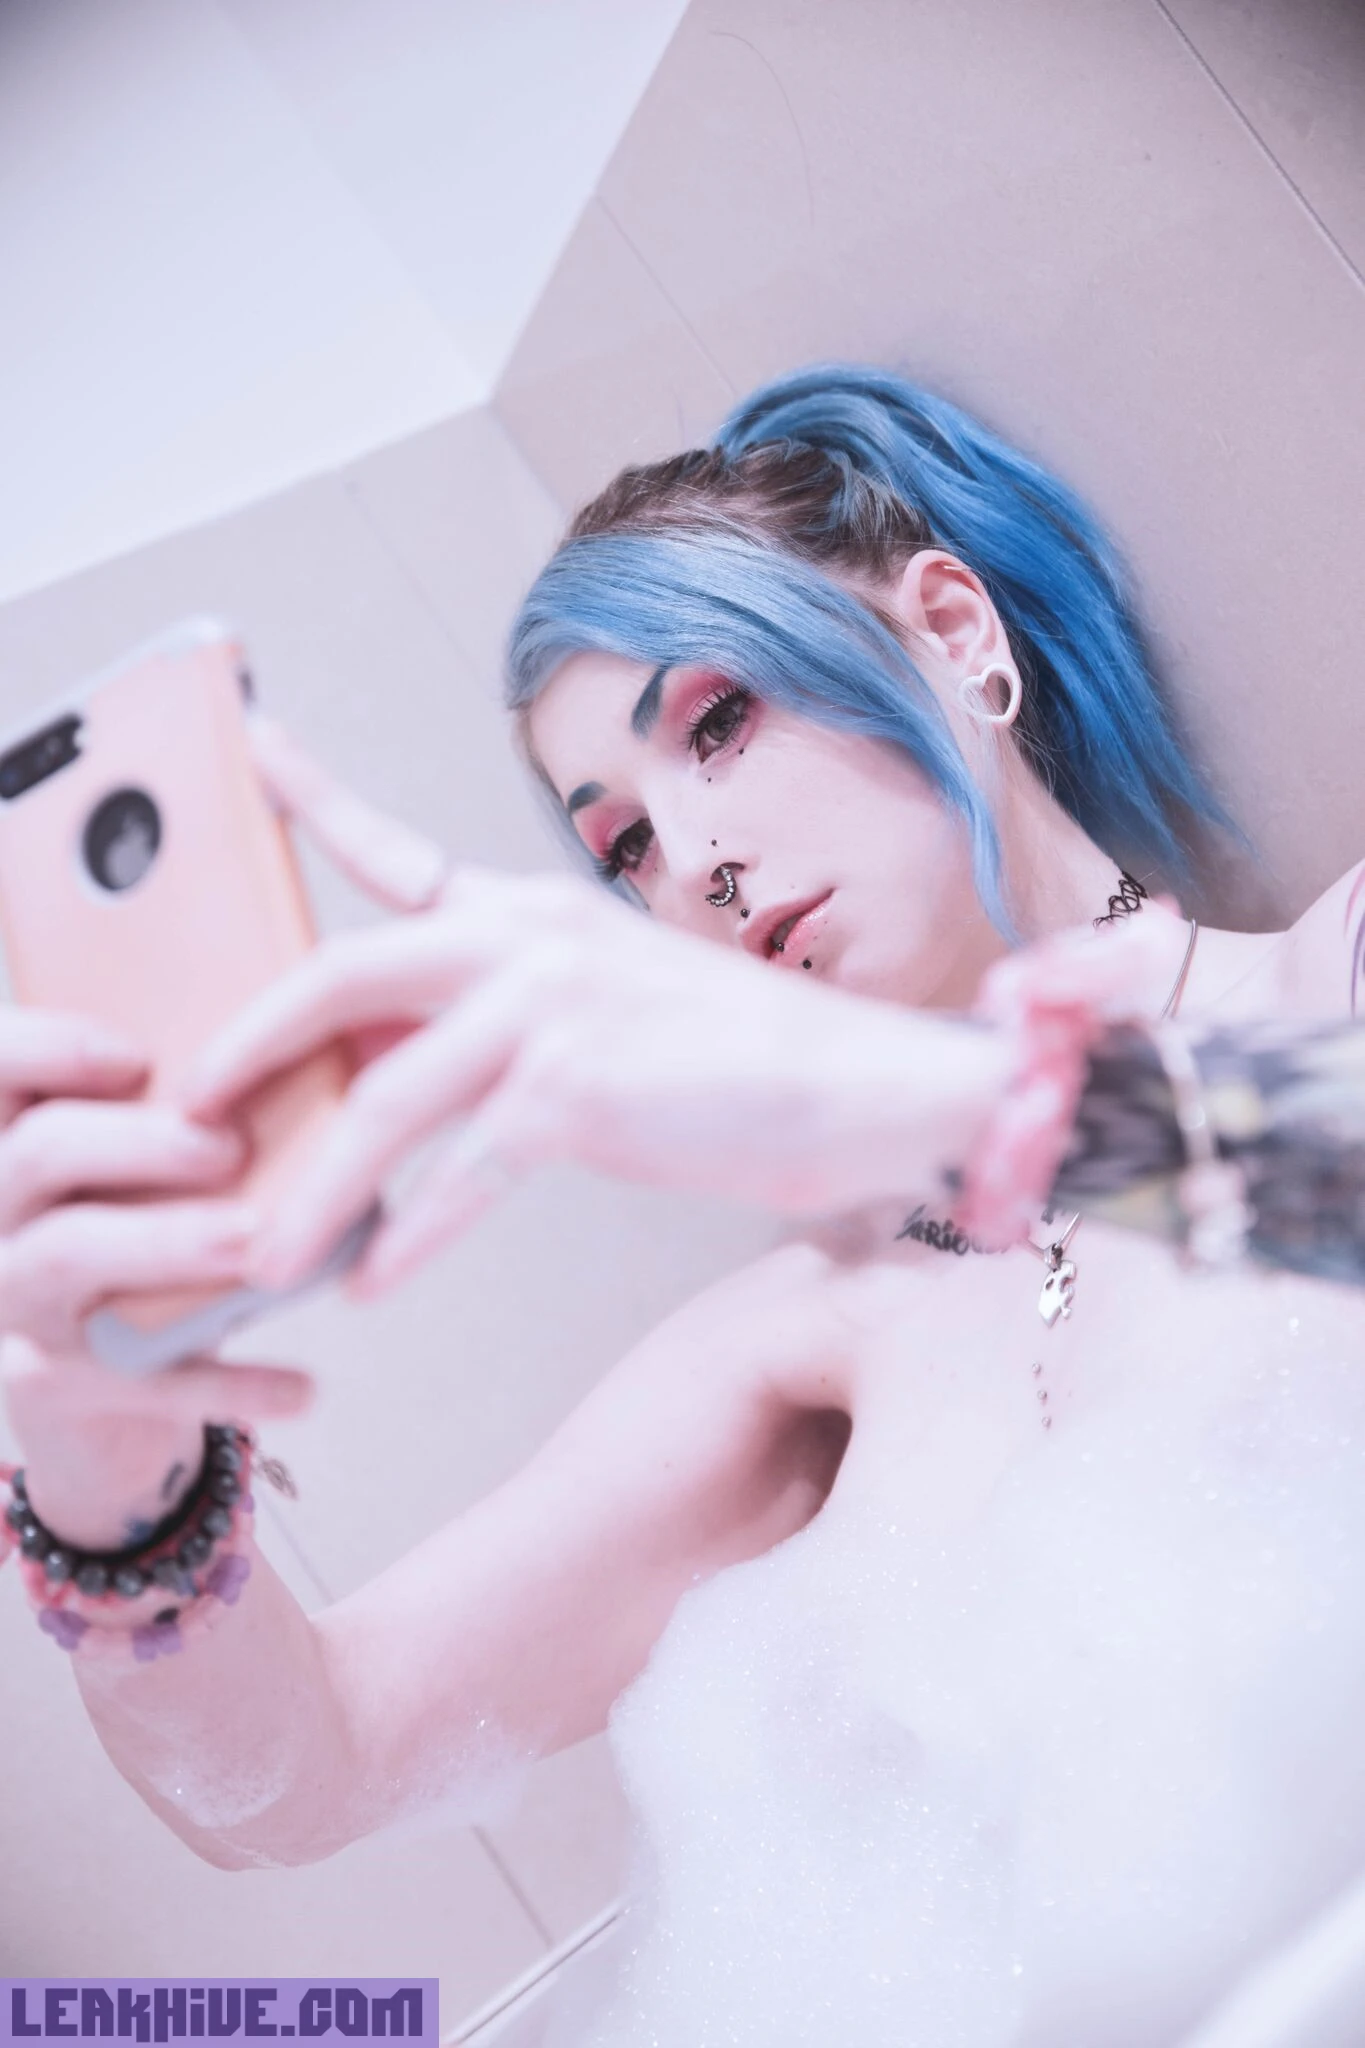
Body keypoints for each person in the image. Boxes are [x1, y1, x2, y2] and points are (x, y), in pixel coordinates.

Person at [5, 366, 1365, 2046]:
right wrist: (113, 1493)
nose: (698, 865)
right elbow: (298, 1772)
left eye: (719, 722)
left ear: (953, 631)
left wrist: (946, 1110)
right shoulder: (799, 1341)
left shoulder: (1332, 972)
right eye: (625, 850)